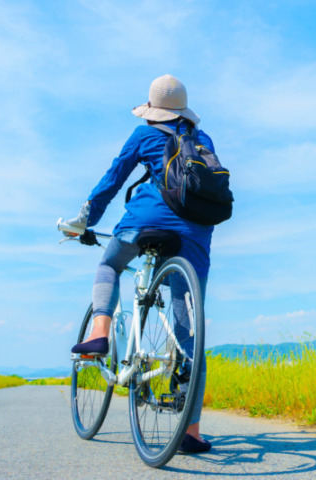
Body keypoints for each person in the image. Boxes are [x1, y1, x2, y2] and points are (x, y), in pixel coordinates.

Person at [65, 74, 214, 454]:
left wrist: (86, 220)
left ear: (152, 110)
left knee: (110, 265)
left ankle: (99, 330)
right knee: (187, 333)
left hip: (144, 221)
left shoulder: (143, 135)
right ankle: (191, 433)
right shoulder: (203, 140)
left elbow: (112, 179)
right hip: (196, 234)